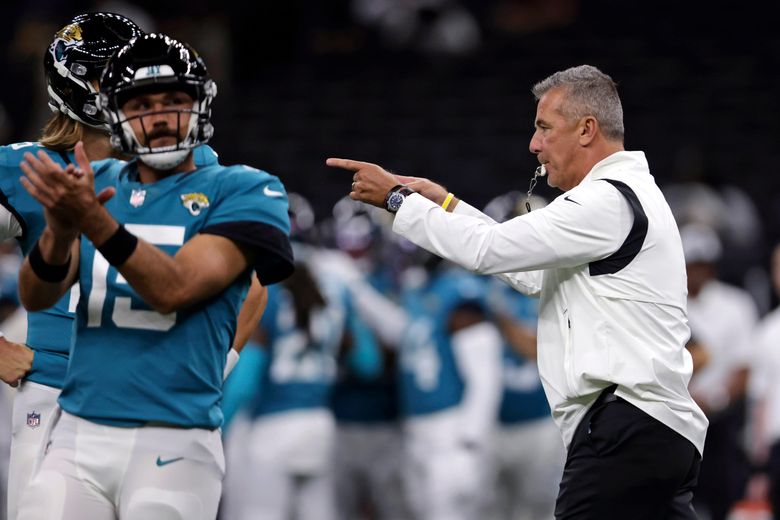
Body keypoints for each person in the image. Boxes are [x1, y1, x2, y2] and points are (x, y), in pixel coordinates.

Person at [327, 64, 708, 519]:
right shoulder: (626, 195)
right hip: (654, 428)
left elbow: (489, 250)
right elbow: (528, 273)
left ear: (587, 130)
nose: (534, 144)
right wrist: (448, 205)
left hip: (623, 427)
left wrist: (396, 200)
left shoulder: (605, 199)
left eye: (545, 128)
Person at [15, 32, 293, 520]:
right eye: (141, 103)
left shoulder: (245, 189)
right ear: (115, 113)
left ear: (200, 104)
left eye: (173, 100)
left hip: (174, 437)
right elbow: (38, 296)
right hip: (76, 432)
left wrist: (93, 222)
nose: (159, 116)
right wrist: (58, 233)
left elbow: (174, 288)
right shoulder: (94, 183)